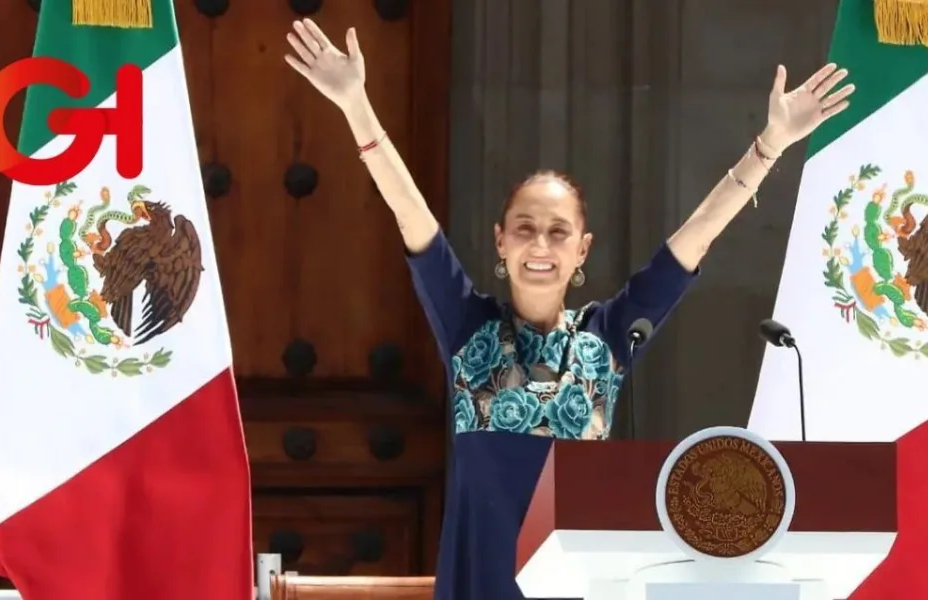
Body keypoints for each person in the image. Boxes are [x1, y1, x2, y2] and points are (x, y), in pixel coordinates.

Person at [284, 18, 855, 600]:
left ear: (582, 250)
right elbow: (411, 214)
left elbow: (695, 238)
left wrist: (770, 146)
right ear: (500, 242)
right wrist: (355, 104)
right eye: (525, 230)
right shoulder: (467, 327)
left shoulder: (608, 339)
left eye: (558, 233)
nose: (539, 246)